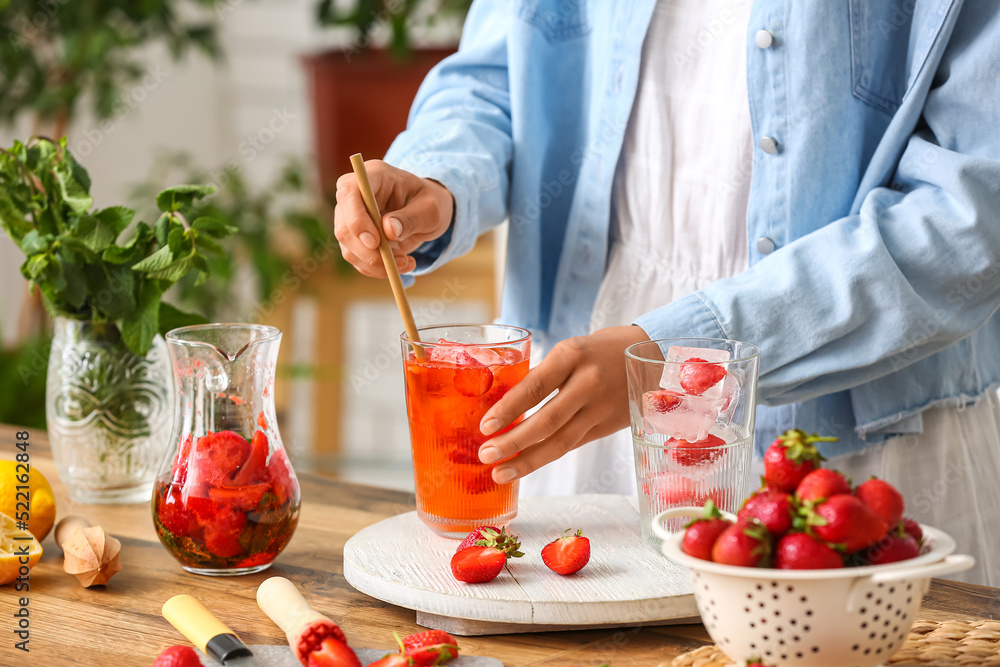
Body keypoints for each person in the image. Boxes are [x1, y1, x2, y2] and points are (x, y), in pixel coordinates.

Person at [333, 1, 1000, 586]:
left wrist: (677, 352)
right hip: (585, 399)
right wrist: (440, 179)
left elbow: (971, 217)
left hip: (848, 435)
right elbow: (497, 74)